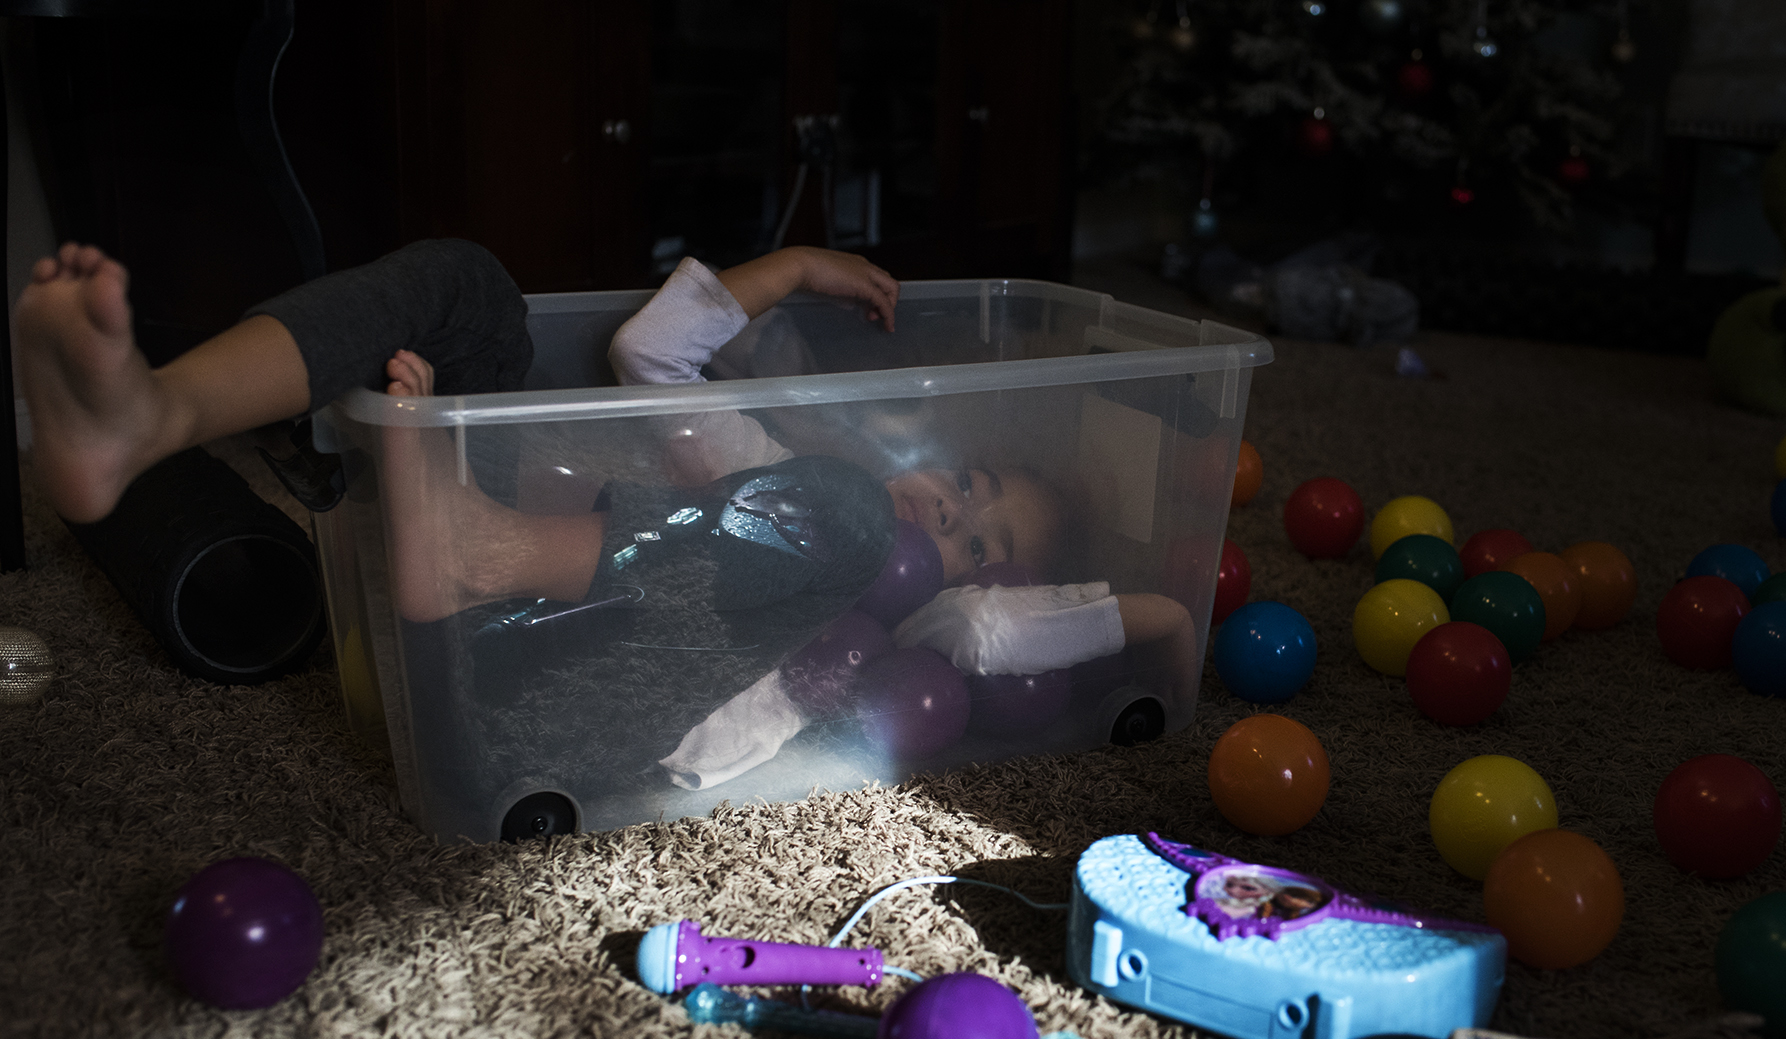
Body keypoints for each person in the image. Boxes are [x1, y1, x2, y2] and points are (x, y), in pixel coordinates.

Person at [18, 238, 1196, 797]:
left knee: (838, 518)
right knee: (469, 294)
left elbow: (999, 638)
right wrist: (789, 270)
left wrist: (1162, 620)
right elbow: (650, 353)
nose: (951, 512)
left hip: (564, 719)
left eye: (977, 546)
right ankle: (152, 413)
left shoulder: (920, 621)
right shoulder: (789, 472)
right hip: (470, 639)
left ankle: (474, 548)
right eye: (970, 488)